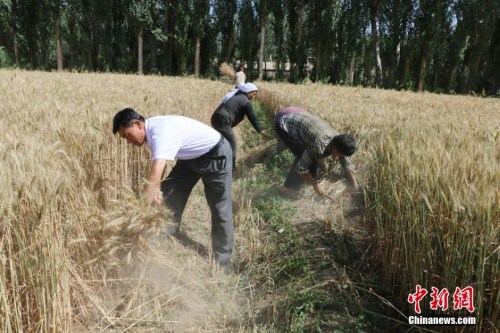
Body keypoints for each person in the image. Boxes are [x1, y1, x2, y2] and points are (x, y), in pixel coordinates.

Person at [112, 108, 234, 266]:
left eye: (127, 135)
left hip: (215, 155)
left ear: (137, 124)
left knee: (220, 206)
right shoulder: (150, 131)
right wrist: (155, 191)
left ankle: (223, 258)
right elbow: (159, 173)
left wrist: (141, 212)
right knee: (170, 191)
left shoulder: (160, 134)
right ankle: (166, 233)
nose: (128, 142)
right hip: (189, 157)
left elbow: (154, 178)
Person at [274, 108, 359, 199]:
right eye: (341, 155)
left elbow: (347, 164)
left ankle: (305, 180)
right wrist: (316, 185)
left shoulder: (340, 142)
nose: (341, 157)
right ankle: (287, 189)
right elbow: (301, 167)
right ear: (334, 149)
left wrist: (355, 185)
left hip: (299, 121)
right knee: (302, 156)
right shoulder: (319, 146)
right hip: (284, 125)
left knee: (311, 159)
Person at [211, 82, 270, 169]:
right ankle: (231, 167)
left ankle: (215, 161)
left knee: (221, 142)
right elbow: (253, 118)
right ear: (248, 92)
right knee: (232, 142)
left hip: (216, 118)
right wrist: (261, 131)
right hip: (222, 121)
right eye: (253, 94)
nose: (254, 97)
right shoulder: (245, 101)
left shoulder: (237, 94)